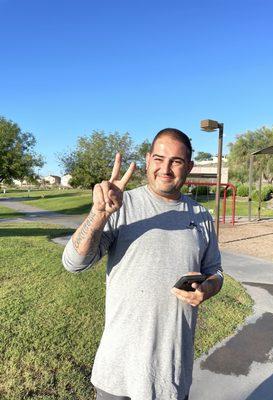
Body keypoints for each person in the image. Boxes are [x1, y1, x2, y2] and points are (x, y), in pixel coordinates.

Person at [62, 128, 223, 400]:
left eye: (177, 161)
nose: (166, 169)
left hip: (171, 374)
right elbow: (74, 263)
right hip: (117, 372)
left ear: (190, 167)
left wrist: (208, 287)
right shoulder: (120, 205)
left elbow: (216, 272)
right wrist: (98, 214)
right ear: (148, 160)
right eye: (159, 159)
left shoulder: (201, 216)